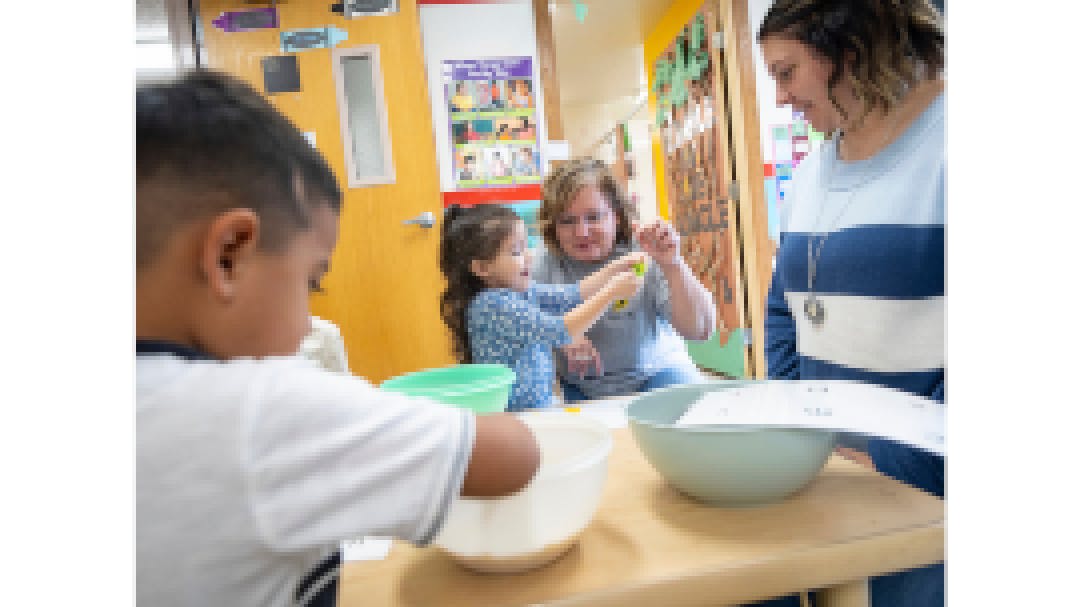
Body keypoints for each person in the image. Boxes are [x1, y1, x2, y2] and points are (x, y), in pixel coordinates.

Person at [136, 70, 541, 607]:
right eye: (311, 282)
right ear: (228, 254)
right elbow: (513, 455)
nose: (308, 325)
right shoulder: (258, 412)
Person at [758, 1, 946, 606]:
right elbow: (784, 309)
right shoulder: (810, 173)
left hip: (928, 497)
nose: (781, 97)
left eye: (787, 73)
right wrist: (803, 429)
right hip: (829, 482)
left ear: (850, 47)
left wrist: (896, 461)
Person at [533, 158, 716, 402]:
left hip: (658, 373)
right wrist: (561, 334)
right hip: (583, 386)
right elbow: (520, 323)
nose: (581, 232)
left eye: (593, 217)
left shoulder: (645, 249)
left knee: (693, 409)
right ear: (553, 225)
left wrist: (673, 264)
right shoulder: (544, 262)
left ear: (617, 216)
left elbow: (700, 331)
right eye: (567, 221)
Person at [439, 204, 646, 411]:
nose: (529, 256)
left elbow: (571, 294)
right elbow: (560, 331)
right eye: (516, 251)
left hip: (540, 405)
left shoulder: (520, 290)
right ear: (482, 268)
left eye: (526, 246)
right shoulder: (491, 305)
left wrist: (615, 268)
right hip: (515, 414)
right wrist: (611, 292)